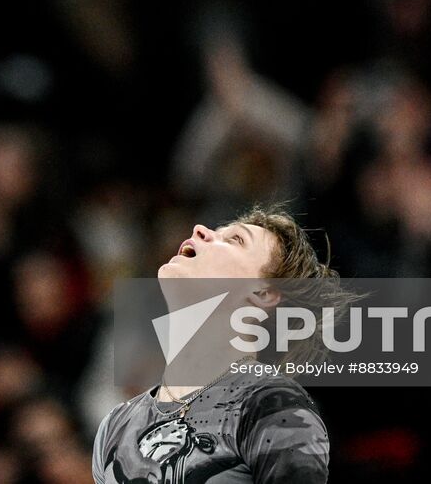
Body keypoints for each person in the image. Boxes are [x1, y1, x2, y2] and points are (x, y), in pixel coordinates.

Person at [91, 207, 337, 483]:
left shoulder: (271, 405)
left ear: (263, 293)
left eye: (235, 239)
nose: (200, 229)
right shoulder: (116, 427)